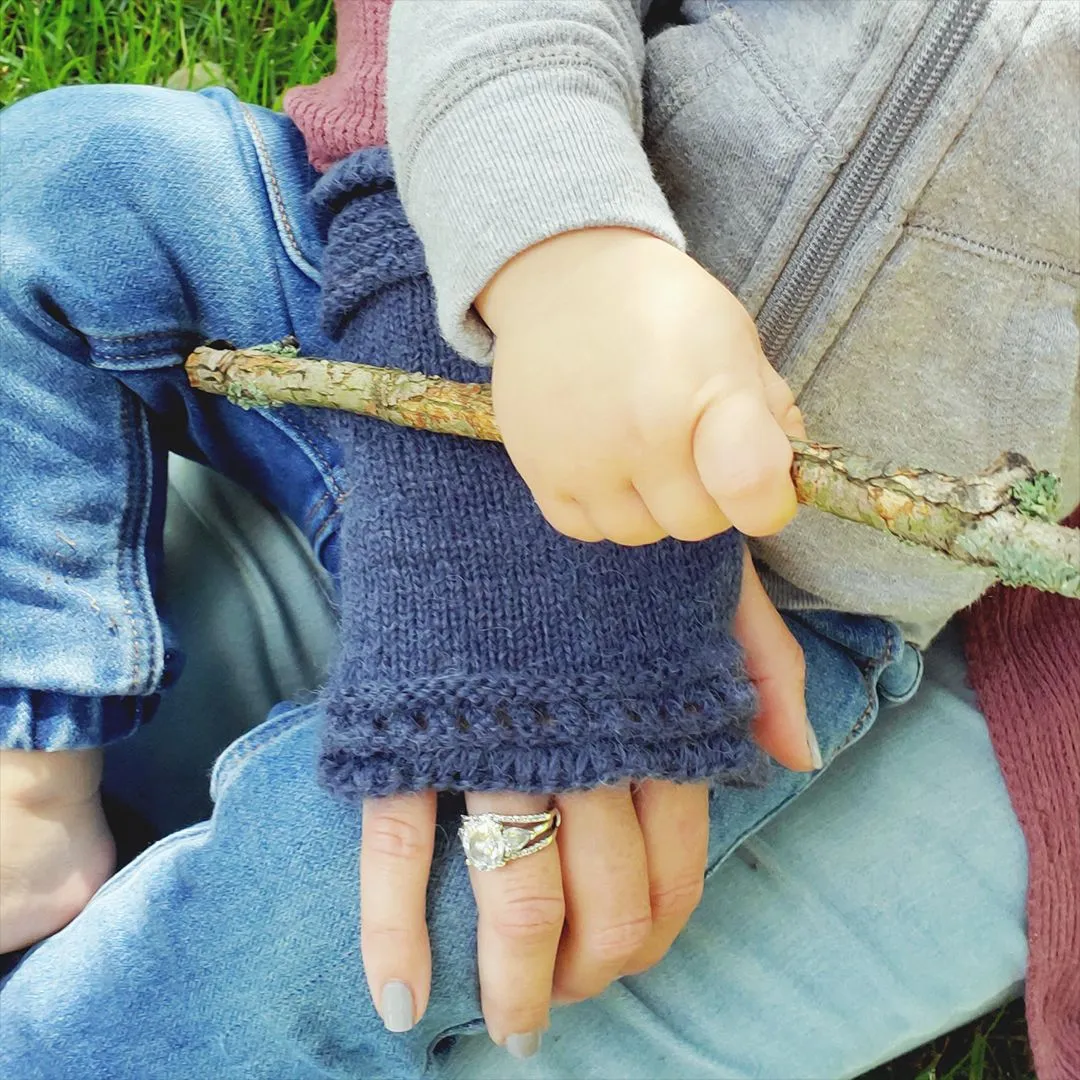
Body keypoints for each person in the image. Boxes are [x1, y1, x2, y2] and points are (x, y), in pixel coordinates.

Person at [0, 1, 1075, 1077]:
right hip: (417, 259)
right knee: (61, 179)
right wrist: (544, 248)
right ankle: (27, 786)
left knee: (339, 918)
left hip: (798, 588)